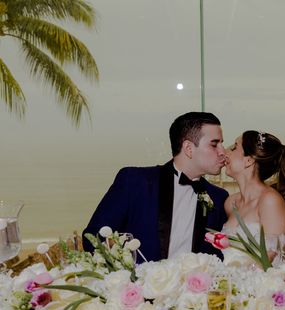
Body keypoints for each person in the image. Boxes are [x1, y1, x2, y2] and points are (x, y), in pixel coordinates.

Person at [83, 112, 229, 261]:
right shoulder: (134, 181)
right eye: (214, 144)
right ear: (188, 148)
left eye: (222, 144)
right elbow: (94, 238)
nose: (223, 152)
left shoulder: (219, 198)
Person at [222, 130, 285, 265]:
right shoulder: (231, 203)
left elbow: (267, 261)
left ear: (248, 160)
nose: (226, 152)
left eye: (234, 147)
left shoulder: (270, 201)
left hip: (265, 281)